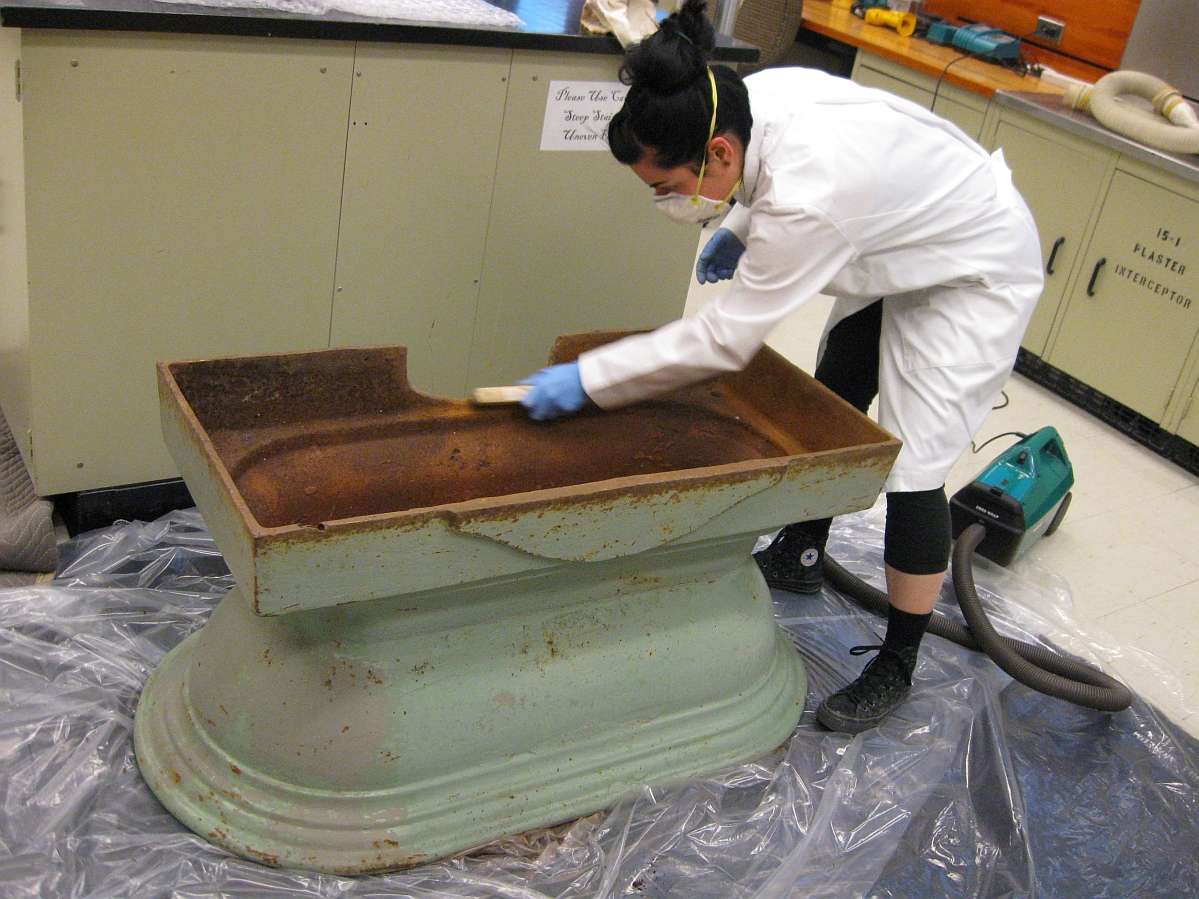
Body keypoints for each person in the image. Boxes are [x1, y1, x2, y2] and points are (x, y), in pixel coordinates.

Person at [518, 0, 1043, 734]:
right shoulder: (734, 101)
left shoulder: (810, 201)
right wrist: (733, 221)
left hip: (969, 264)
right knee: (838, 387)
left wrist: (590, 379)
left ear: (715, 155)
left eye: (664, 187)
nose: (664, 201)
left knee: (912, 467)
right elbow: (759, 178)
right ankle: (802, 546)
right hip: (894, 234)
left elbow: (721, 344)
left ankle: (897, 659)